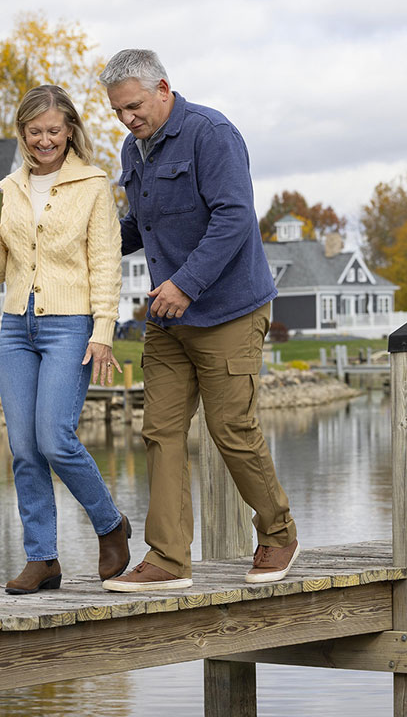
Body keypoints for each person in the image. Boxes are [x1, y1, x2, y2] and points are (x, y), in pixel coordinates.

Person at [98, 50, 298, 593]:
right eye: (118, 111)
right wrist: (81, 243)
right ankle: (167, 558)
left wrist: (187, 283)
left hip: (229, 309)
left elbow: (235, 217)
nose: (127, 119)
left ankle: (278, 534)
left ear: (163, 88)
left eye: (134, 106)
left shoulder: (212, 134)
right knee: (159, 431)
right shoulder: (132, 150)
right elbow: (137, 228)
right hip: (168, 319)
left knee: (231, 428)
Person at [0, 84, 131, 594]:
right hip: (17, 325)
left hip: (70, 324)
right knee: (23, 449)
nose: (45, 140)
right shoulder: (7, 188)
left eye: (54, 131)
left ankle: (110, 524)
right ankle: (43, 559)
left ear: (70, 131)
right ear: (22, 134)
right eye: (35, 131)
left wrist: (103, 330)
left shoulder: (93, 184)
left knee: (54, 439)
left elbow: (105, 261)